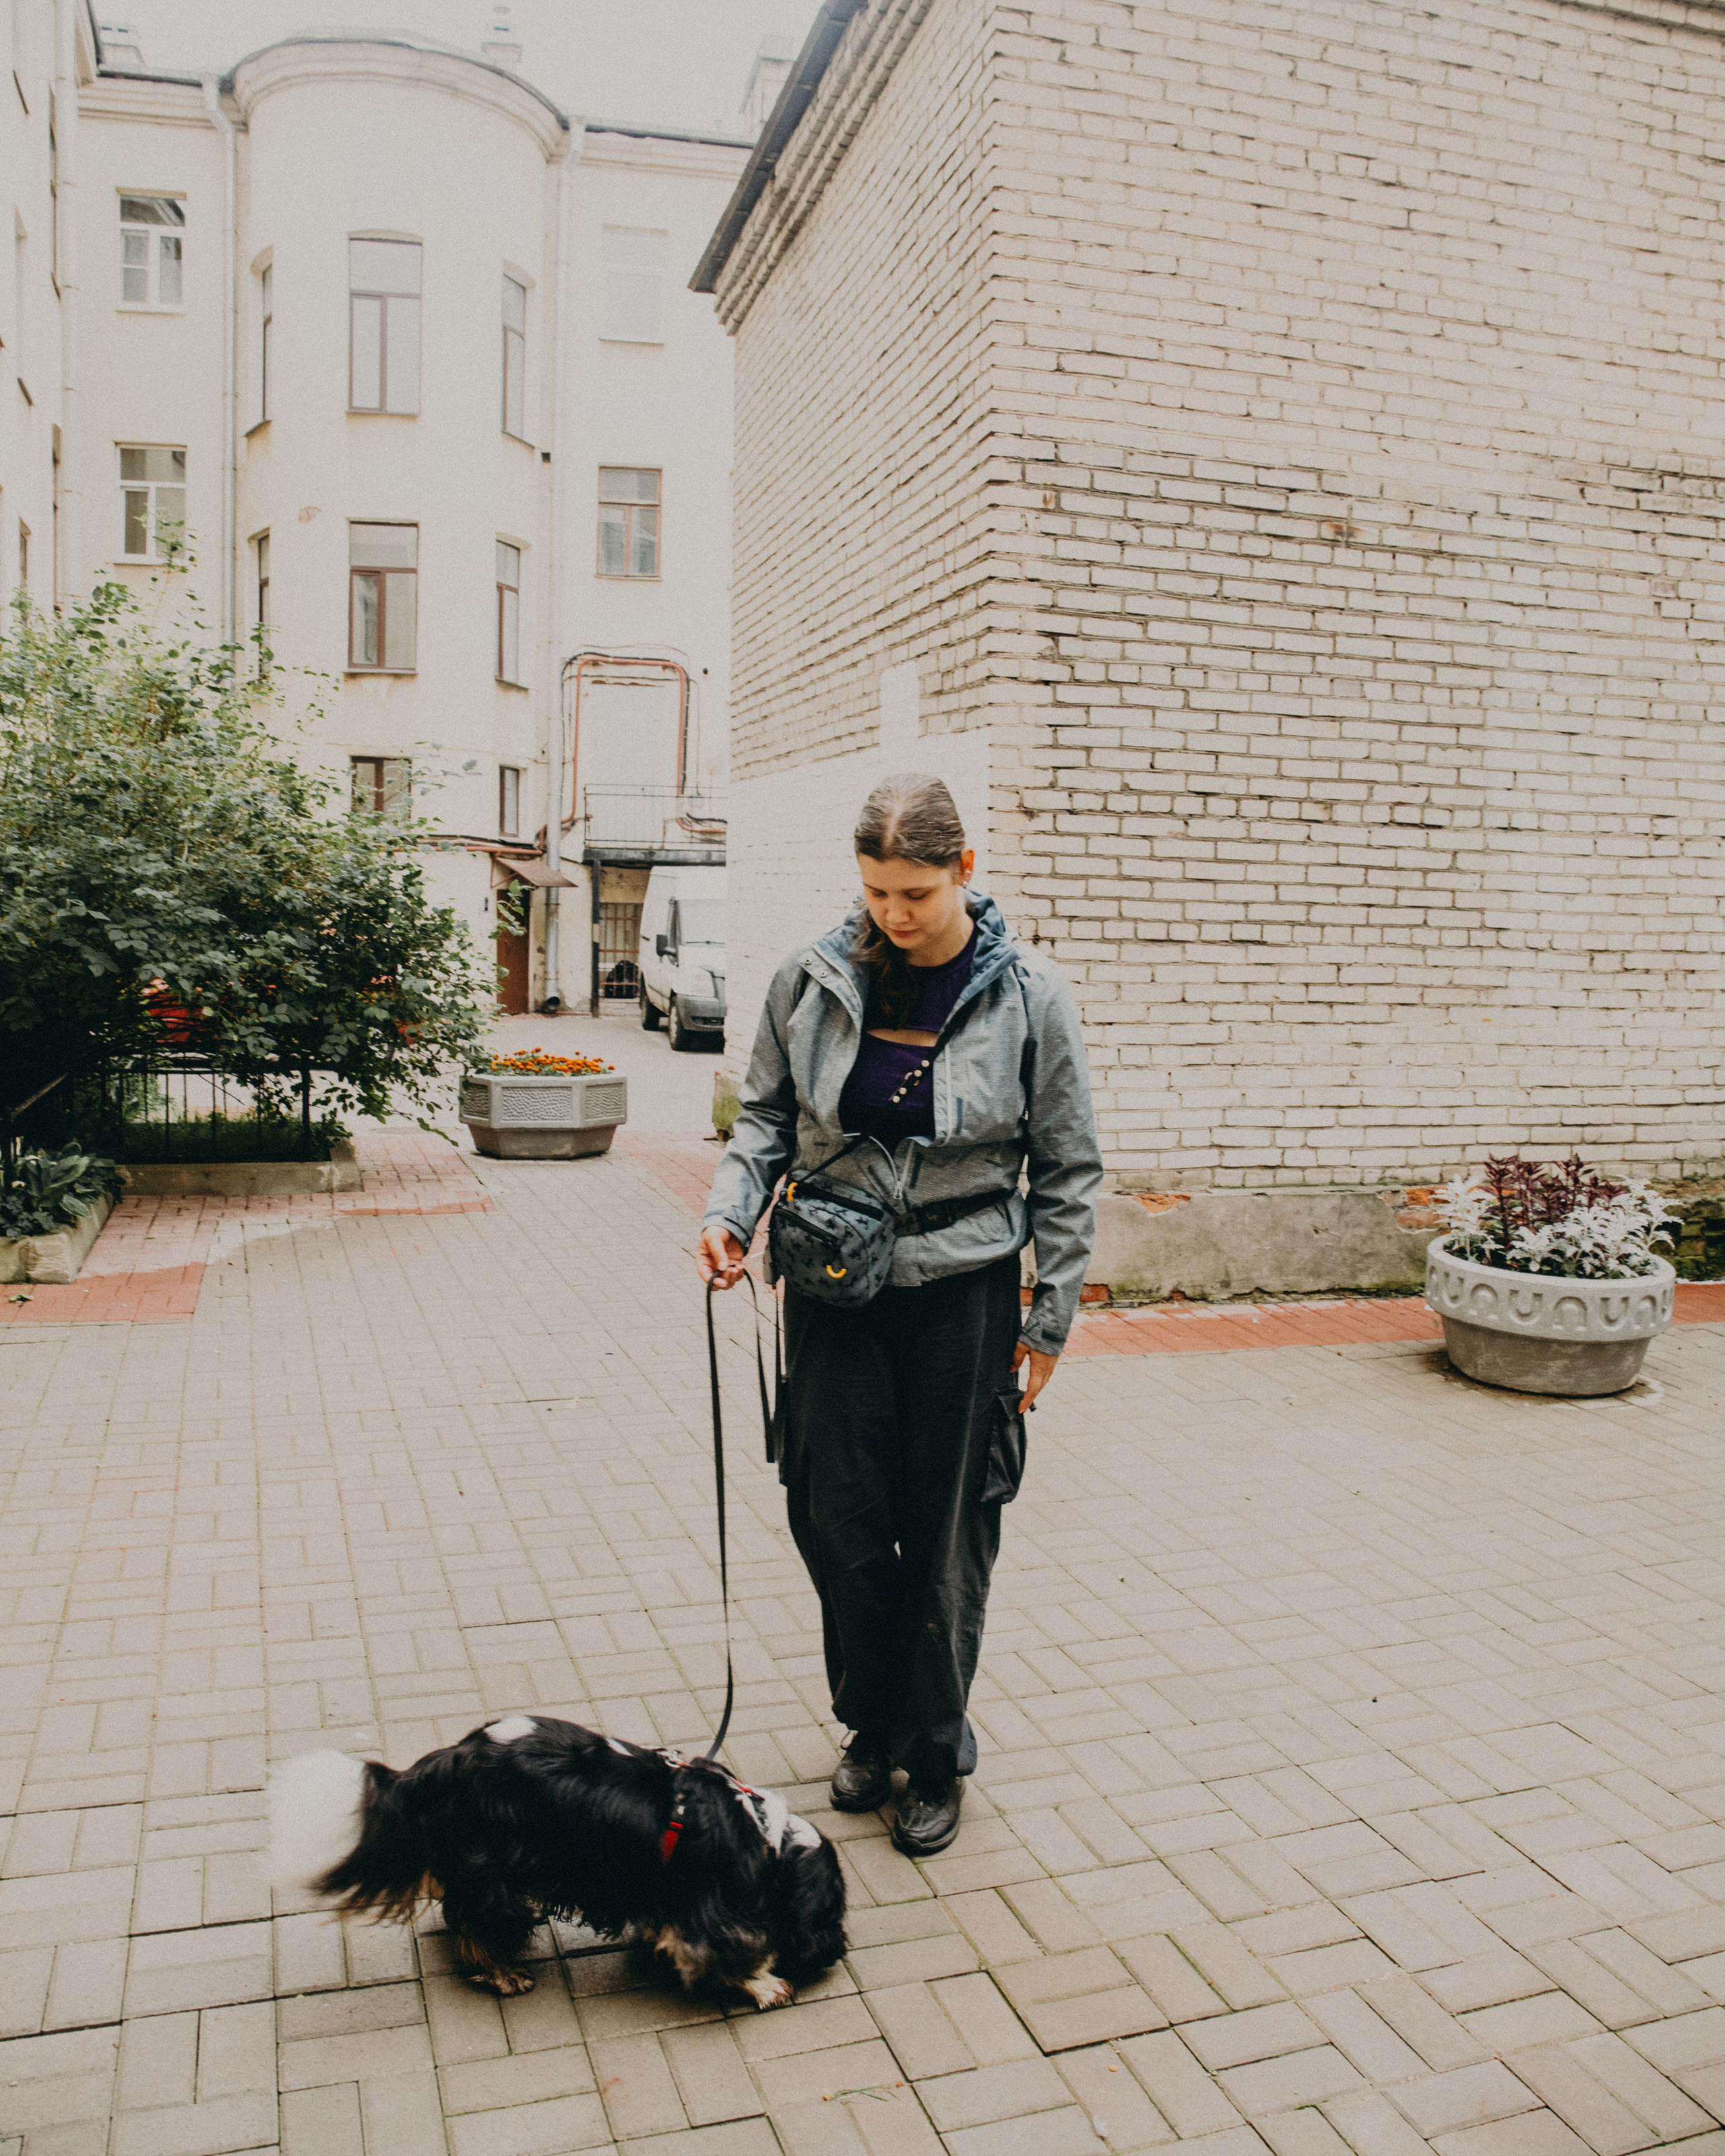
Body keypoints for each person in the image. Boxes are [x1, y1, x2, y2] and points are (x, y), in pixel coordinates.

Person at [696, 774, 1101, 1856]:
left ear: (965, 871)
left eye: (916, 891)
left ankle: (932, 1746)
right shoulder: (813, 977)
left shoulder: (1030, 998)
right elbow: (767, 1117)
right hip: (834, 1286)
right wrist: (732, 1216)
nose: (895, 913)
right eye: (877, 890)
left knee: (945, 1524)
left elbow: (1068, 1171)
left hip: (962, 1299)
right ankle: (869, 1722)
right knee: (834, 1516)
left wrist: (1046, 1319)